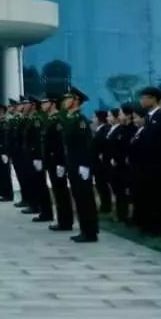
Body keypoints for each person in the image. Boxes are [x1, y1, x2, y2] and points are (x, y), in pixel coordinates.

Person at [60, 86, 99, 243]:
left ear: (76, 101)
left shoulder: (80, 120)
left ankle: (90, 232)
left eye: (68, 98)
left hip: (80, 165)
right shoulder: (70, 118)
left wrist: (85, 165)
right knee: (78, 197)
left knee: (85, 198)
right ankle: (84, 230)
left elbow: (86, 145)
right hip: (73, 163)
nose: (65, 101)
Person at [136, 86, 161, 236]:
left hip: (158, 167)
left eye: (144, 98)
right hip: (147, 166)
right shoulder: (148, 118)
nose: (142, 101)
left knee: (158, 197)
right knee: (149, 196)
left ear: (153, 99)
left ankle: (158, 228)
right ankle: (149, 225)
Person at [41, 95, 74, 233]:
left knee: (61, 192)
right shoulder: (50, 119)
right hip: (51, 161)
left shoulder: (58, 120)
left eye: (45, 102)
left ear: (53, 104)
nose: (42, 105)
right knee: (57, 191)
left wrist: (61, 163)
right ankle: (62, 220)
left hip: (57, 161)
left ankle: (65, 221)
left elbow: (60, 144)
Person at [108, 106, 133, 224]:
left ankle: (125, 215)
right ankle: (120, 214)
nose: (120, 116)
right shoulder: (121, 129)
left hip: (124, 166)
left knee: (124, 192)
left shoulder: (130, 130)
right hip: (116, 165)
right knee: (118, 191)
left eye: (121, 114)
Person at [92, 108, 113, 214]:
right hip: (97, 163)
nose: (93, 119)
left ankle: (106, 206)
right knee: (100, 185)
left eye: (94, 117)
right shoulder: (98, 129)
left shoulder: (105, 129)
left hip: (102, 163)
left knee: (103, 185)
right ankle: (104, 205)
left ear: (99, 118)